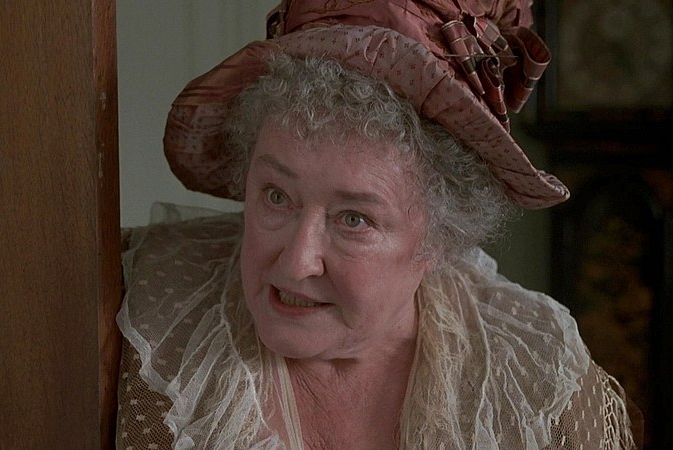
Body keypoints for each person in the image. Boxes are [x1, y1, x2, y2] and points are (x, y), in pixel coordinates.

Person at [115, 1, 642, 448]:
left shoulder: (536, 384)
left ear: (440, 237)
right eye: (277, 196)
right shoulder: (141, 316)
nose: (296, 262)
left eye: (354, 219)